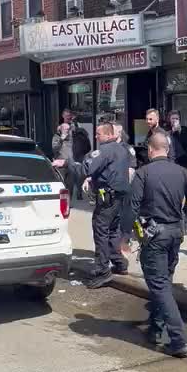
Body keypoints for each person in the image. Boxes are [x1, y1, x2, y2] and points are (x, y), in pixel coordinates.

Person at [131, 131, 187, 357]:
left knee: (159, 286)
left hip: (155, 237)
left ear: (150, 150)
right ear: (168, 150)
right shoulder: (182, 172)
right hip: (175, 234)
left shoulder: (143, 174)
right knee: (164, 282)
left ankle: (178, 339)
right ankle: (156, 327)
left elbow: (131, 206)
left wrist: (123, 236)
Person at [82, 122, 132, 288]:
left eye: (98, 134)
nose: (96, 136)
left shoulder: (105, 151)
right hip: (119, 198)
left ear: (109, 135)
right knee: (112, 231)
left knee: (101, 231)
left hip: (107, 198)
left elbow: (89, 168)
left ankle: (102, 270)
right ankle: (119, 263)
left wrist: (84, 163)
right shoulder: (123, 150)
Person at [52, 109, 78, 201]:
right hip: (60, 161)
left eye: (68, 129)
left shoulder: (72, 131)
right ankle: (61, 200)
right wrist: (61, 138)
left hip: (70, 161)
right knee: (62, 183)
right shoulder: (57, 136)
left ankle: (68, 201)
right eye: (65, 130)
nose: (67, 131)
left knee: (70, 183)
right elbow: (55, 148)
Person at [72, 115, 91, 200]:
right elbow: (88, 147)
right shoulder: (84, 134)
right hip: (80, 156)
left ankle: (75, 193)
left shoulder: (72, 134)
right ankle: (79, 193)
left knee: (73, 175)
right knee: (79, 175)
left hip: (73, 156)